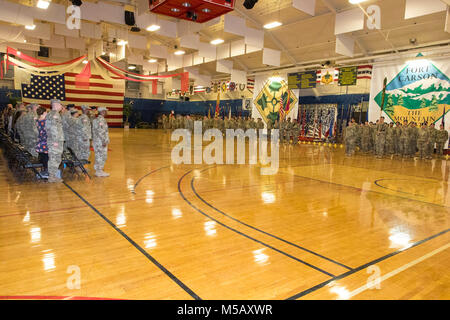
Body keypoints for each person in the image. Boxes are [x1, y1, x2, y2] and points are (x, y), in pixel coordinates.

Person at [45, 99, 65, 183]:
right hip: (55, 141)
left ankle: (53, 176)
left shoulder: (51, 114)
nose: (61, 106)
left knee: (55, 158)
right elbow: (53, 128)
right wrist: (56, 140)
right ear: (56, 105)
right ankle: (52, 176)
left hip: (54, 140)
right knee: (54, 158)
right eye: (60, 105)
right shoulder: (54, 115)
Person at [92, 107, 110, 177]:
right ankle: (99, 171)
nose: (106, 112)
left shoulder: (96, 119)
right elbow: (100, 132)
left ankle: (99, 170)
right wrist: (104, 141)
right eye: (105, 111)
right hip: (100, 142)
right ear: (102, 112)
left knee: (99, 155)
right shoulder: (101, 120)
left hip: (97, 141)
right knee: (101, 156)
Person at [35, 107, 49, 178]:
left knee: (42, 156)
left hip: (40, 140)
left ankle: (43, 170)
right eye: (46, 112)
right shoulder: (45, 121)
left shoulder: (37, 120)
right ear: (43, 113)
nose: (47, 113)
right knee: (46, 157)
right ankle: (46, 171)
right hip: (45, 140)